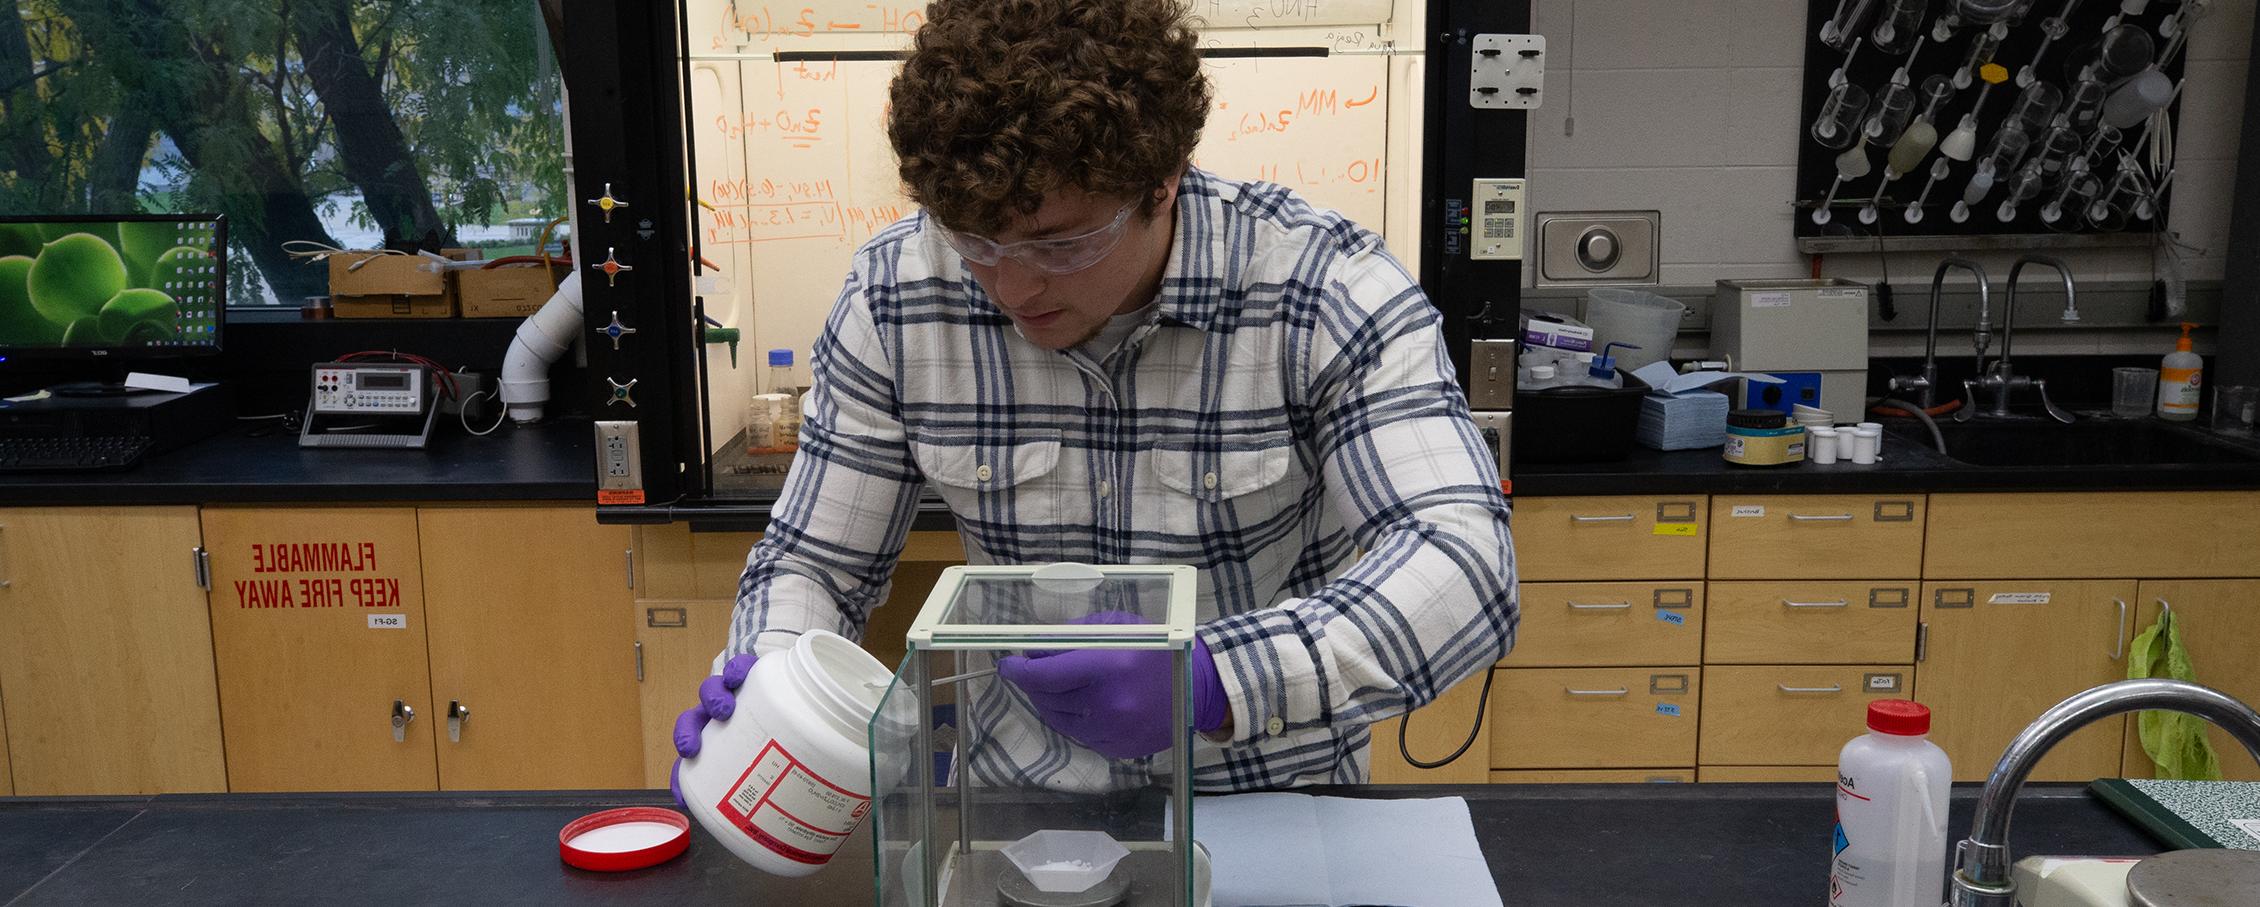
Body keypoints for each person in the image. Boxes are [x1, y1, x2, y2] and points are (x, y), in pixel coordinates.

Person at [672, 0, 1516, 796]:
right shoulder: (896, 297)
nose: (1011, 284)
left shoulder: (1322, 289)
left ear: (1165, 180)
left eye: (1062, 242)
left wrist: (1218, 676)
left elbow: (1466, 561)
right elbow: (816, 564)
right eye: (973, 238)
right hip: (1017, 809)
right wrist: (773, 687)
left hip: (1271, 803)